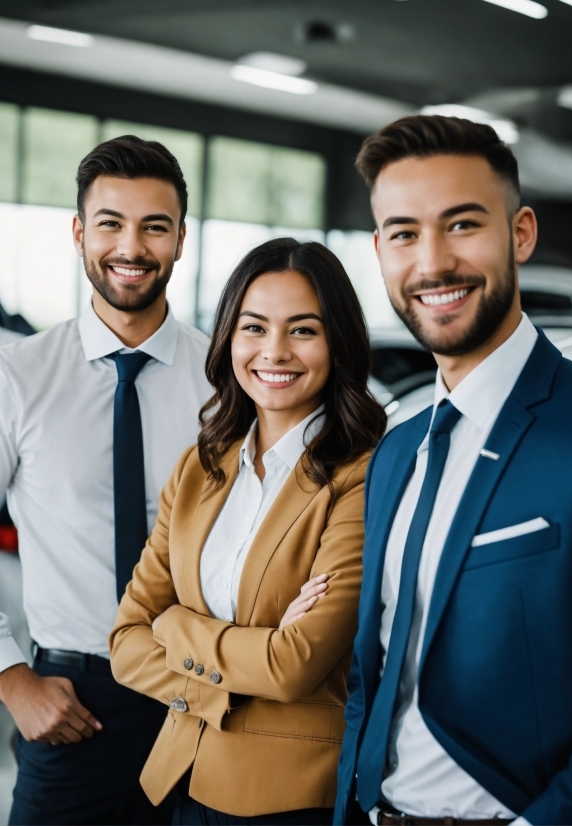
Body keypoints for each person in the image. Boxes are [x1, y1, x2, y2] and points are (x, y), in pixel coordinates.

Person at [330, 116, 572, 826]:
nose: (433, 262)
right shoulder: (395, 449)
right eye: (404, 234)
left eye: (462, 225)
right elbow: (375, 669)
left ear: (522, 233)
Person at [109, 237, 387, 825]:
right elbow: (126, 643)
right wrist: (243, 659)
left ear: (338, 342)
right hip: (181, 780)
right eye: (254, 328)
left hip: (289, 798)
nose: (275, 352)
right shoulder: (198, 469)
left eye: (303, 330)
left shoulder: (361, 478)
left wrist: (177, 624)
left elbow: (295, 664)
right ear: (229, 339)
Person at [0, 135, 213, 825]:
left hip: (205, 697)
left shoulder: (227, 379)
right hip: (74, 699)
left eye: (155, 225)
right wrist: (11, 681)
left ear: (181, 239)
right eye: (111, 223)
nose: (132, 246)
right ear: (78, 233)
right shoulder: (19, 377)